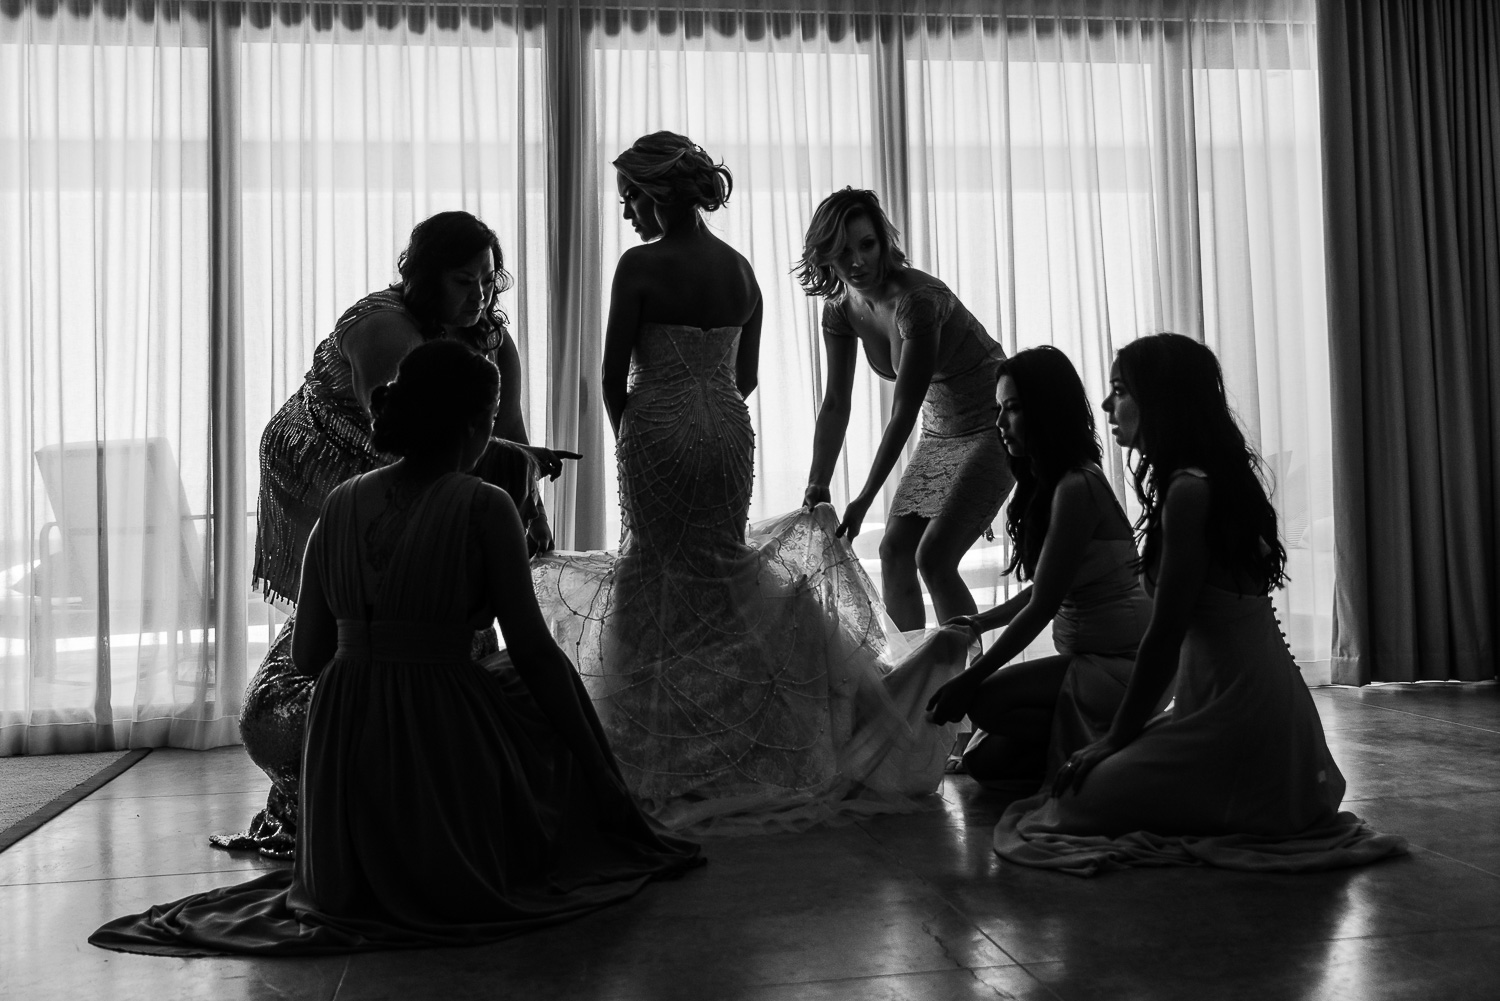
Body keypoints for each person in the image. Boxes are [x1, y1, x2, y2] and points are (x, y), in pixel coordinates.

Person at [92, 340, 700, 956]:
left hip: (342, 735)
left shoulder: (339, 505)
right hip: (437, 718)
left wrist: (374, 663)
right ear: (473, 426)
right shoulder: (484, 507)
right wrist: (603, 775)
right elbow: (537, 651)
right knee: (531, 680)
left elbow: (307, 657)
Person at [532, 133, 965, 835]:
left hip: (659, 432)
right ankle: (742, 734)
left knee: (659, 570)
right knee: (717, 566)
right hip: (728, 436)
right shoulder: (740, 271)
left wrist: (636, 435)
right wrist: (706, 409)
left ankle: (660, 748)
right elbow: (748, 377)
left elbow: (613, 376)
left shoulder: (638, 267)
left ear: (658, 193)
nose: (627, 215)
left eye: (631, 199)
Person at [213, 211, 577, 858]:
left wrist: (524, 500)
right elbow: (415, 434)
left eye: (490, 282)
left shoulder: (490, 337)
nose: (482, 297)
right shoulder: (383, 331)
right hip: (332, 455)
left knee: (449, 596)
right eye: (464, 282)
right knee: (373, 597)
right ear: (420, 277)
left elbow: (508, 434)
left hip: (430, 462)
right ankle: (343, 780)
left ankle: (418, 737)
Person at [993, 333, 1407, 875]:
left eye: (1119, 391)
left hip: (1243, 721)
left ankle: (1229, 789)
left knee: (1071, 804)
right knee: (1063, 790)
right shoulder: (1196, 483)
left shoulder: (1190, 493)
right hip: (1232, 708)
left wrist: (1116, 738)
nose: (1104, 405)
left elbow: (1163, 640)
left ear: (1161, 400)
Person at [922, 346, 1152, 785]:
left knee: (986, 703)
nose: (999, 424)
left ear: (1045, 412)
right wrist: (977, 622)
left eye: (1012, 409)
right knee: (987, 765)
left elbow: (1044, 602)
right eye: (998, 410)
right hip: (1095, 659)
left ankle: (1117, 741)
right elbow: (1052, 584)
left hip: (1121, 666)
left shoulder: (1077, 486)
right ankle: (1082, 744)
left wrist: (972, 679)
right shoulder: (1059, 483)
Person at [796, 188, 1013, 630]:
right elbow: (836, 404)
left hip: (997, 424)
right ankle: (917, 681)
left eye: (866, 245)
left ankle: (968, 685)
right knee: (894, 550)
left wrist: (864, 500)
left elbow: (903, 411)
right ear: (824, 256)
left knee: (934, 558)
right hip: (941, 432)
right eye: (841, 251)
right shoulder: (840, 311)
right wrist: (818, 482)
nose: (856, 262)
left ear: (883, 242)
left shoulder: (918, 301)